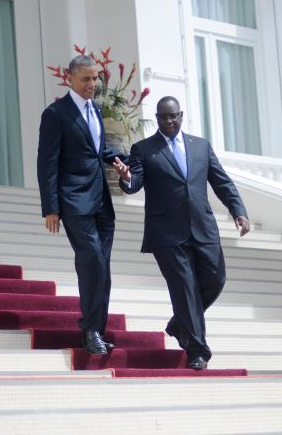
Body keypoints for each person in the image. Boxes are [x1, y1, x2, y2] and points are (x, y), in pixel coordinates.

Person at [112, 96, 250, 370]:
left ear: (181, 115)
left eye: (173, 116)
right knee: (184, 288)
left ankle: (179, 323)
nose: (169, 121)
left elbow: (222, 182)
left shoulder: (200, 146)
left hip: (203, 227)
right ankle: (198, 351)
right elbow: (135, 182)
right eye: (164, 117)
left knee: (216, 279)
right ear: (157, 118)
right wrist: (126, 177)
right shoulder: (144, 149)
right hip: (167, 234)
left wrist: (239, 211)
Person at [37, 55, 126, 355]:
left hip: (102, 201)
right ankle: (89, 331)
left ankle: (97, 330)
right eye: (86, 79)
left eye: (96, 78)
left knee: (104, 269)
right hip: (74, 202)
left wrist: (121, 160)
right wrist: (51, 207)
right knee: (92, 263)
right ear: (70, 79)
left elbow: (97, 148)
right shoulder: (55, 114)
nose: (93, 84)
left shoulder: (96, 110)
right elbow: (46, 163)